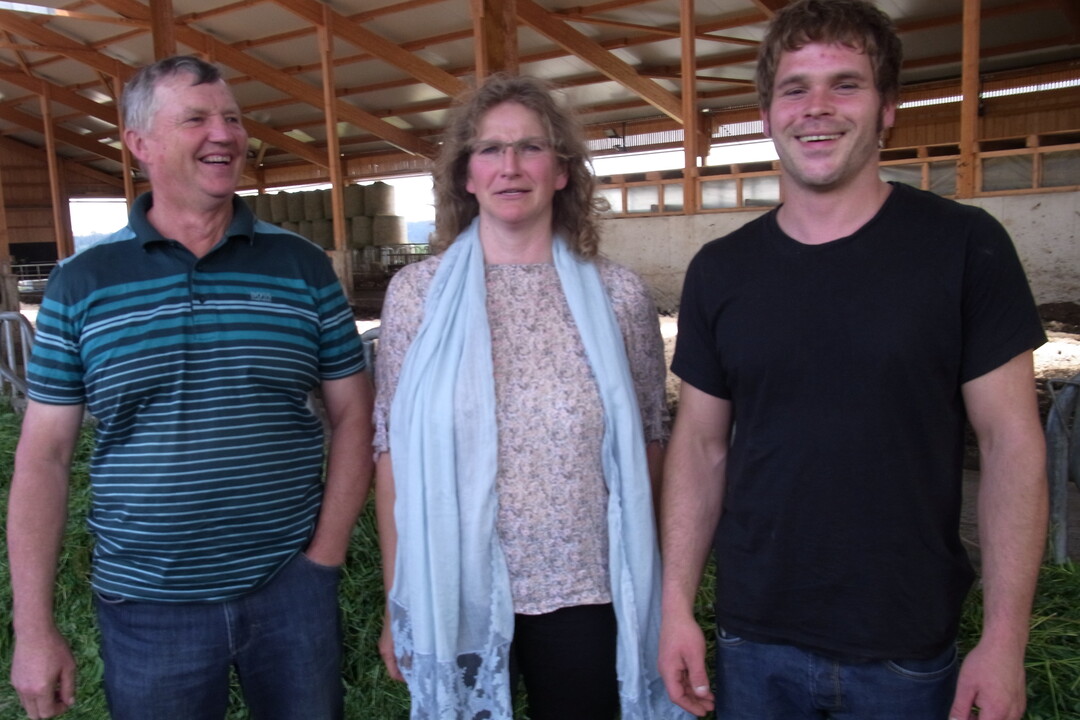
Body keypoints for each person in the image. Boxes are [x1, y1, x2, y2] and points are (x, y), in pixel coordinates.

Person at [658, 1, 1048, 719]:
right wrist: (675, 605)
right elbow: (701, 447)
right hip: (754, 640)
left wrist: (1004, 641)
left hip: (904, 646)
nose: (817, 108)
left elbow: (1011, 444)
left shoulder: (964, 247)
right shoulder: (721, 270)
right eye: (794, 88)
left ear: (888, 109)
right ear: (768, 114)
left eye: (845, 84)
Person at [6, 55, 373, 720]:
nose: (225, 135)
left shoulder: (301, 267)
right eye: (197, 119)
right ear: (140, 144)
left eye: (232, 119)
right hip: (147, 603)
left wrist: (325, 556)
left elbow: (355, 414)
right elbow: (44, 456)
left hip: (289, 586)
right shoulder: (82, 283)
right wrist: (32, 629)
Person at [373, 73, 685, 719]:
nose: (509, 167)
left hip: (585, 588)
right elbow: (391, 456)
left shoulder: (619, 297)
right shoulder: (417, 296)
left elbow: (651, 446)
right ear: (465, 174)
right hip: (453, 582)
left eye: (530, 148)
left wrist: (652, 591)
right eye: (489, 149)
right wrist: (400, 597)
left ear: (563, 171)